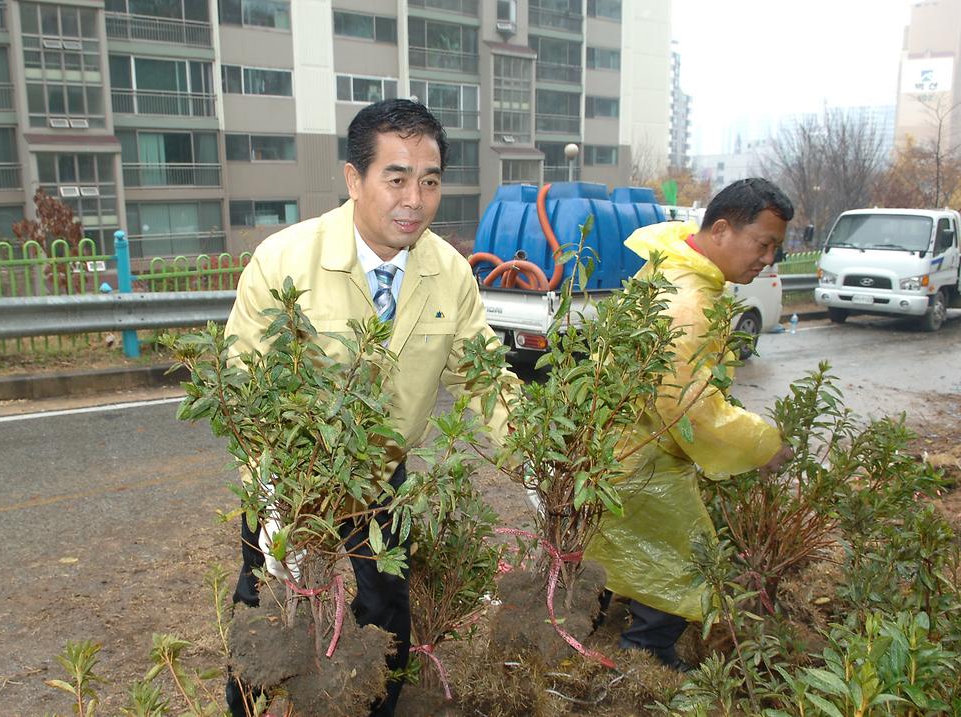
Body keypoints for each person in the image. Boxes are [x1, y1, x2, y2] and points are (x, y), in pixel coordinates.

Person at [221, 99, 515, 716]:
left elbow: (485, 379)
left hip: (383, 480)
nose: (415, 198)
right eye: (397, 177)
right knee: (269, 624)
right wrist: (277, 501)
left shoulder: (449, 272)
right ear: (354, 179)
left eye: (430, 181)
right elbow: (243, 384)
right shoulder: (284, 261)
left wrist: (538, 460)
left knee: (383, 621)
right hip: (292, 482)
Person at [585, 178, 796, 671]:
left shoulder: (678, 265)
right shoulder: (689, 299)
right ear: (722, 229)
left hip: (615, 440)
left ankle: (590, 616)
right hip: (641, 452)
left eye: (775, 249)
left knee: (609, 538)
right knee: (687, 553)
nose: (768, 259)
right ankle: (647, 650)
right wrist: (761, 444)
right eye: (762, 244)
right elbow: (689, 405)